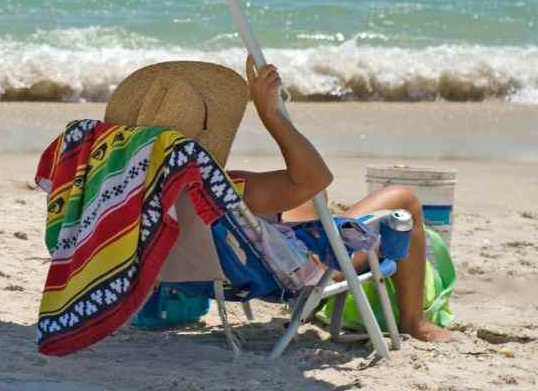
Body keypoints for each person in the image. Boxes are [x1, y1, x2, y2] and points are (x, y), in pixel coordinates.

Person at [104, 58, 451, 343]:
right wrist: (270, 114)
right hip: (291, 273)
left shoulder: (124, 192)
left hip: (202, 275)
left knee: (313, 198)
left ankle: (327, 223)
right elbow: (317, 175)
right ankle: (413, 321)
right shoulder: (221, 189)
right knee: (404, 200)